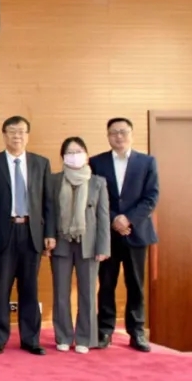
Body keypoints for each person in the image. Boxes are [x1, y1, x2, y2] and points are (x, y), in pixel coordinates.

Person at [0, 115, 53, 356]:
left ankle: (31, 339)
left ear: (27, 135)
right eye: (12, 131)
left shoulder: (41, 163)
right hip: (3, 232)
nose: (17, 136)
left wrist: (49, 233)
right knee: (1, 287)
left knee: (30, 288)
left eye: (21, 131)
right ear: (4, 135)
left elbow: (48, 202)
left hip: (32, 232)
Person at [89, 117, 157, 352]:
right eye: (113, 132)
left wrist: (128, 219)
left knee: (135, 284)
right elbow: (94, 197)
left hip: (136, 232)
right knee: (106, 283)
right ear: (108, 136)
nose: (118, 136)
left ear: (131, 134)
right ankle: (105, 330)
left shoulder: (147, 162)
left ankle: (136, 332)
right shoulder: (97, 162)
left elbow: (151, 197)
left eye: (123, 131)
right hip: (107, 233)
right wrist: (114, 219)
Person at [49, 137, 109, 354]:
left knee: (88, 293)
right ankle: (63, 336)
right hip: (61, 242)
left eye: (78, 151)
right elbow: (49, 212)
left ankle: (85, 337)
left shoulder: (98, 182)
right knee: (60, 292)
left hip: (89, 244)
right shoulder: (54, 180)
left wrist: (103, 247)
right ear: (63, 157)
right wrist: (48, 238)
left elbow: (103, 216)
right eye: (69, 152)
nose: (74, 156)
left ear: (86, 155)